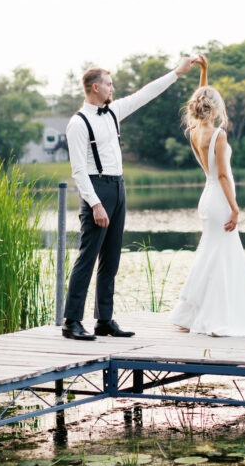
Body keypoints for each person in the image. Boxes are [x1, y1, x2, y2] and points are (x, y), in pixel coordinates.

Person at [62, 56, 199, 340]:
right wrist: (95, 204)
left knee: (111, 258)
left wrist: (177, 72)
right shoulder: (78, 123)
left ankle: (104, 320)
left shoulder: (113, 112)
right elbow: (78, 171)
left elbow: (145, 94)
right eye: (109, 85)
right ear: (95, 88)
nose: (113, 89)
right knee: (88, 257)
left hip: (118, 187)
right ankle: (71, 321)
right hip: (96, 190)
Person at [169, 56, 245, 336]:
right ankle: (215, 316)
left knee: (212, 251)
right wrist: (235, 208)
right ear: (214, 107)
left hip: (206, 199)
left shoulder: (194, 131)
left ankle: (191, 314)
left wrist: (204, 71)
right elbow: (223, 176)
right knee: (223, 255)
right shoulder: (218, 135)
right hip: (219, 199)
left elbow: (200, 96)